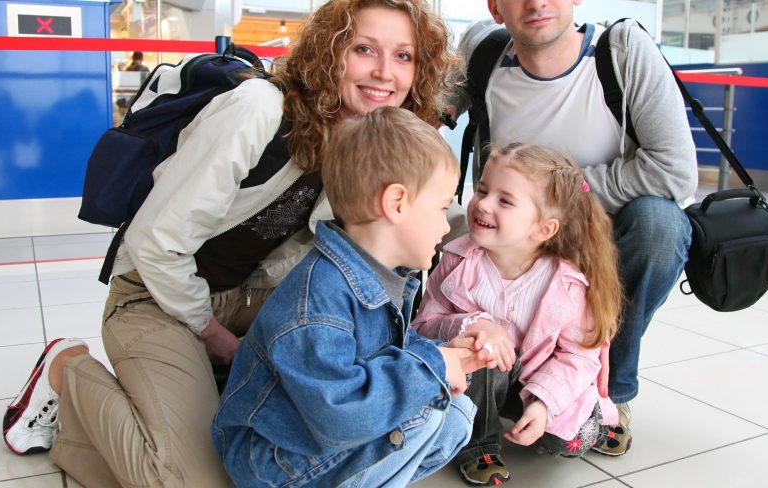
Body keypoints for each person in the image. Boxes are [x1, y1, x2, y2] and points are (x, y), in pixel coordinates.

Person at [0, 1, 460, 486]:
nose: (385, 72)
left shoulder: (374, 145)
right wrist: (213, 335)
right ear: (331, 52)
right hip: (156, 295)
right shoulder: (259, 109)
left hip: (255, 295)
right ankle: (67, 370)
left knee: (244, 468)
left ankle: (87, 437)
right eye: (364, 49)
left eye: (404, 56)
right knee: (189, 480)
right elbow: (157, 242)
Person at [449, 0, 698, 457]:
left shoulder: (621, 51)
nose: (537, 3)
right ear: (494, 6)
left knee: (660, 225)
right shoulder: (483, 51)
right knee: (442, 228)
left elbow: (676, 171)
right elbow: (422, 119)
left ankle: (612, 392)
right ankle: (478, 382)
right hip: (510, 237)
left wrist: (562, 197)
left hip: (599, 230)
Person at [214, 106, 490, 488]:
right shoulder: (318, 299)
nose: (446, 225)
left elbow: (388, 353)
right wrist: (433, 366)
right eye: (443, 207)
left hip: (314, 439)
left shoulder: (384, 275)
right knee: (421, 418)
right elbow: (340, 414)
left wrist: (448, 353)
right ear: (396, 203)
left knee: (454, 414)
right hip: (272, 459)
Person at [412, 142, 623, 485]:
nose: (483, 204)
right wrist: (473, 325)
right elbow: (422, 327)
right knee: (479, 352)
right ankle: (478, 444)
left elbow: (578, 357)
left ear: (543, 229)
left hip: (539, 379)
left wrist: (543, 403)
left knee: (567, 442)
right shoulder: (456, 260)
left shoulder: (567, 283)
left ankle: (594, 420)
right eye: (481, 190)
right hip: (480, 380)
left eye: (505, 200)